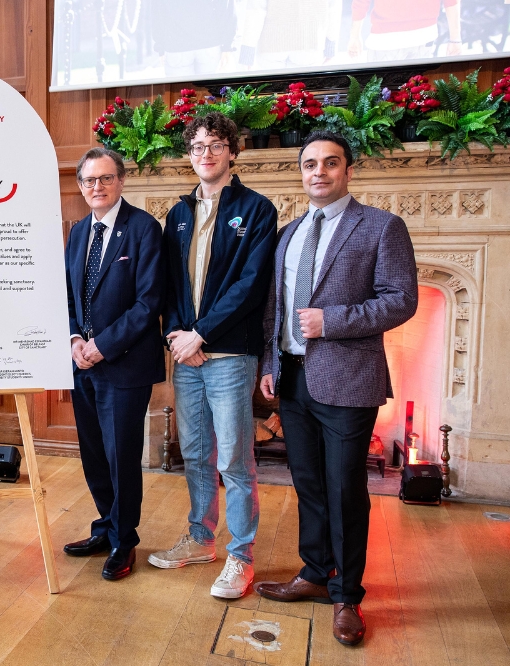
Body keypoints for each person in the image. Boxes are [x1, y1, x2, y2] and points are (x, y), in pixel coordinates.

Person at [255, 131, 418, 646]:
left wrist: (335, 320)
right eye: (309, 164)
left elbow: (401, 300)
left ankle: (347, 595)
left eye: (330, 163)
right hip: (293, 377)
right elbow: (274, 309)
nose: (318, 172)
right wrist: (268, 362)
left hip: (349, 380)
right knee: (308, 483)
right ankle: (314, 574)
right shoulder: (288, 232)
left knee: (345, 490)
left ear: (348, 170)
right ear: (301, 172)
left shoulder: (381, 227)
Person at [148, 113, 277, 600]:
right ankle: (201, 539)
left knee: (235, 462)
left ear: (232, 152)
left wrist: (200, 334)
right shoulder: (178, 214)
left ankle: (240, 557)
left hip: (228, 355)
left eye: (216, 144)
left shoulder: (257, 210)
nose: (206, 153)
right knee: (197, 454)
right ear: (190, 155)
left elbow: (250, 286)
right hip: (187, 355)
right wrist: (178, 338)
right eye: (198, 145)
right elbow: (169, 286)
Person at [62, 147, 165, 581]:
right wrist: (73, 339)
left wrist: (101, 345)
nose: (96, 187)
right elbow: (66, 295)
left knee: (121, 456)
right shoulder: (77, 232)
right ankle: (106, 525)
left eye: (105, 179)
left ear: (121, 181)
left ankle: (125, 539)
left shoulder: (143, 229)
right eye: (89, 180)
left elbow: (149, 303)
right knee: (93, 455)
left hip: (123, 364)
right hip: (80, 364)